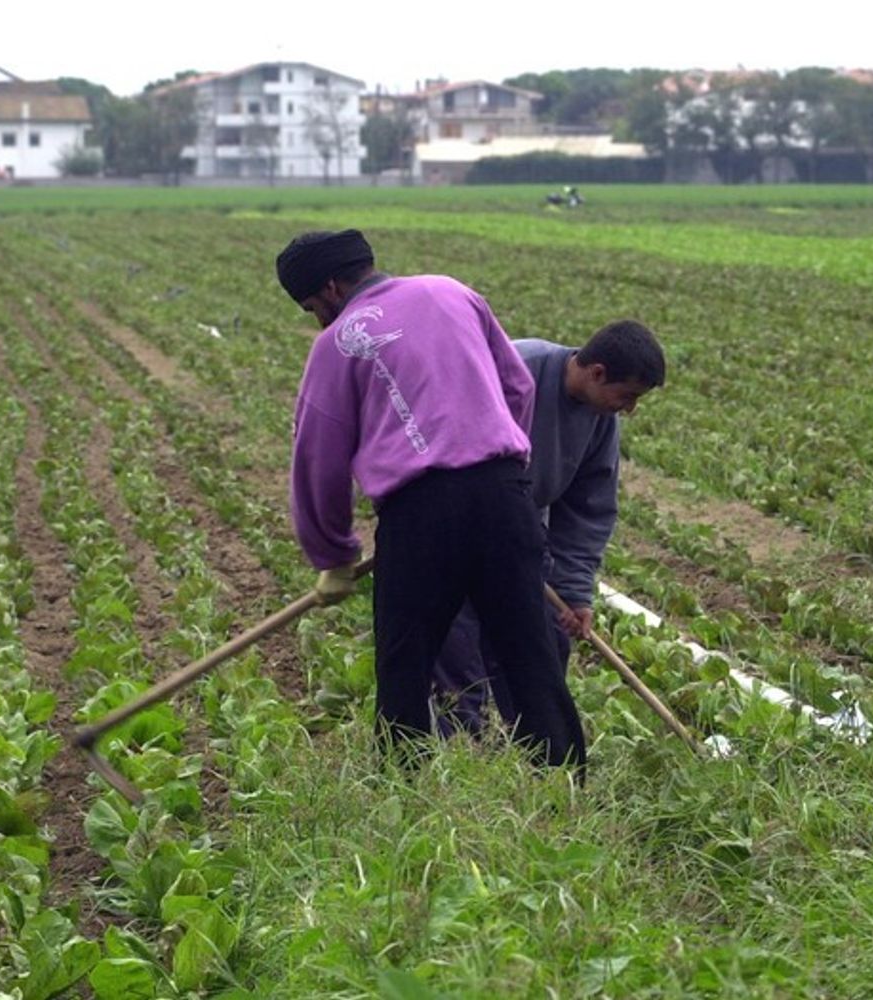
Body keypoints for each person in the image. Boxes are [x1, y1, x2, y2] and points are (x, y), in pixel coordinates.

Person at [276, 228, 585, 771]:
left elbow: (318, 455)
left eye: (310, 307)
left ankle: (404, 787)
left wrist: (333, 555)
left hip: (419, 515)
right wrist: (500, 466)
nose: (316, 319)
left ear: (327, 289)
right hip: (504, 499)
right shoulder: (451, 291)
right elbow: (519, 387)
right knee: (529, 653)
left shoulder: (338, 342)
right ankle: (565, 783)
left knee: (406, 664)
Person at [432, 321, 666, 732]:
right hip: (453, 524)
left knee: (542, 643)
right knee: (458, 643)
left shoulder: (600, 419)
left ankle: (537, 748)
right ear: (597, 373)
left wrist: (574, 592)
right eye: (627, 395)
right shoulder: (512, 371)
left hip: (521, 532)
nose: (629, 409)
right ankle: (459, 751)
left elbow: (587, 510)